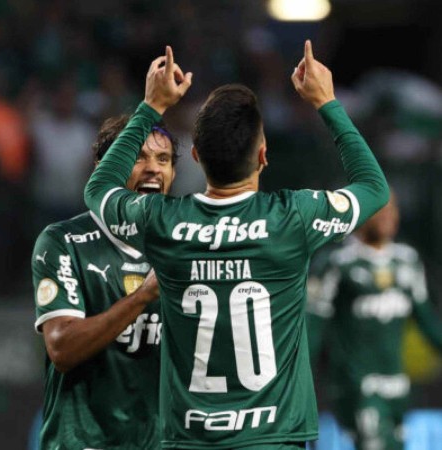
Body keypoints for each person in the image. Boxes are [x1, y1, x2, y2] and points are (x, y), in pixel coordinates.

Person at [83, 42, 389, 449]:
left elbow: (99, 188)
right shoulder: (294, 217)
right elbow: (372, 185)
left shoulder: (164, 221)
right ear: (263, 155)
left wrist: (151, 106)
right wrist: (326, 102)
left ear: (194, 155)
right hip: (274, 439)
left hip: (191, 441)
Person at [31, 114, 178, 449]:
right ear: (106, 167)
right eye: (139, 157)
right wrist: (144, 296)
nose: (153, 169)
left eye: (163, 159)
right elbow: (62, 348)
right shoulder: (63, 241)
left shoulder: (183, 244)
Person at [306, 191, 442, 450]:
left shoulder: (407, 261)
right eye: (380, 209)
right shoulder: (336, 264)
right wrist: (298, 383)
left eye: (393, 208)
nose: (388, 215)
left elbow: (427, 320)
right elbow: (312, 329)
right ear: (362, 214)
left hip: (397, 385)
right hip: (357, 385)